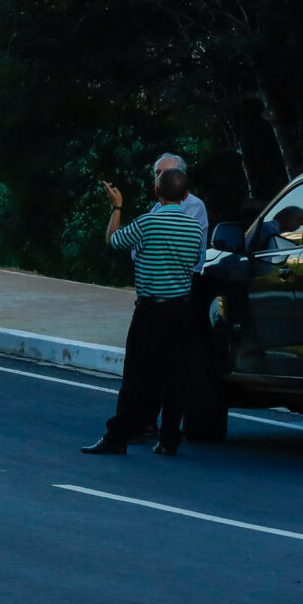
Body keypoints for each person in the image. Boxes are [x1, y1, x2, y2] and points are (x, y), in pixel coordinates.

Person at [84, 165, 208, 456]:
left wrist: (117, 208)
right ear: (184, 194)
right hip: (180, 309)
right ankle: (168, 439)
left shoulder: (148, 222)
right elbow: (192, 262)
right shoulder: (194, 229)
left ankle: (118, 436)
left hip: (150, 309)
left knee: (136, 376)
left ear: (157, 191)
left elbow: (114, 240)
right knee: (175, 376)